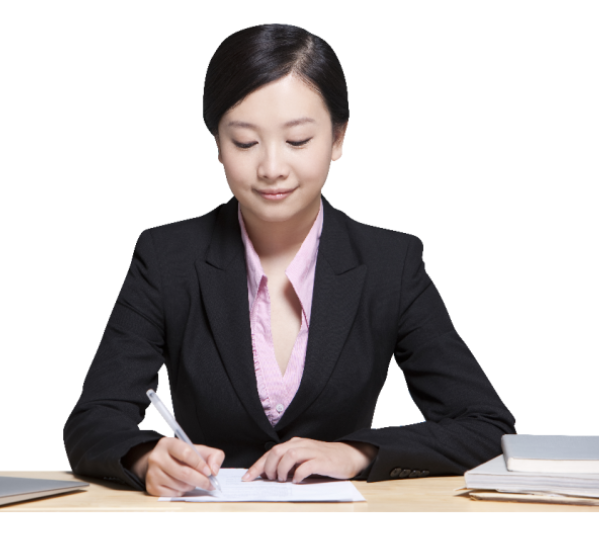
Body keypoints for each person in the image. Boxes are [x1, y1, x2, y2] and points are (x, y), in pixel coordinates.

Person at [63, 23, 516, 497]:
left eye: (298, 140)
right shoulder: (167, 258)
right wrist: (146, 457)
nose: (272, 168)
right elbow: (94, 419)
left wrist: (356, 453)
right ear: (217, 143)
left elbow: (485, 427)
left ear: (338, 137)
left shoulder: (390, 265)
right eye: (245, 142)